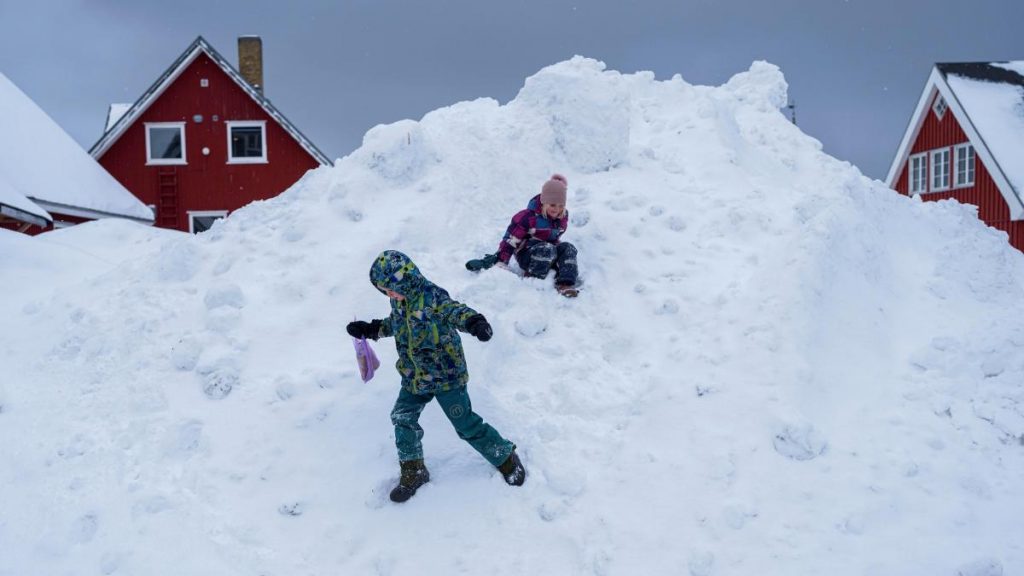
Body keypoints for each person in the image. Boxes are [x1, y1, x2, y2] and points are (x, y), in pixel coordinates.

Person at [347, 250, 526, 503]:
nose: (390, 295)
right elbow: (396, 325)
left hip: (446, 376)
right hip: (414, 377)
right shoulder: (399, 301)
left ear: (405, 280)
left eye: (391, 289)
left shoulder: (432, 296)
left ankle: (505, 456)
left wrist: (474, 322)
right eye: (385, 291)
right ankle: (414, 471)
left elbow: (455, 311)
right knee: (402, 417)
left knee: (465, 424)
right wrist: (371, 329)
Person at [466, 173, 579, 296]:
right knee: (546, 249)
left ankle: (565, 283)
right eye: (552, 205)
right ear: (544, 202)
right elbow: (510, 240)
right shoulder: (527, 217)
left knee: (568, 248)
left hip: (549, 250)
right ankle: (533, 277)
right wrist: (502, 260)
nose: (556, 209)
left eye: (560, 205)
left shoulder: (562, 216)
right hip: (527, 253)